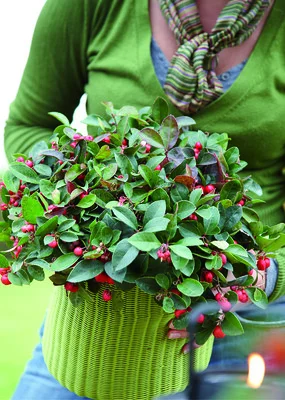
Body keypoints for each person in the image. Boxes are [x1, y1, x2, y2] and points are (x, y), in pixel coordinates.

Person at [4, 0, 285, 398]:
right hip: (104, 308)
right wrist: (85, 186)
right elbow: (28, 126)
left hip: (247, 310)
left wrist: (263, 273)